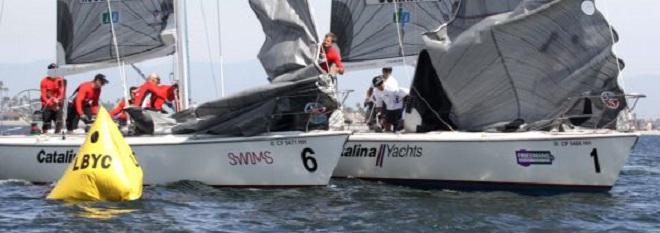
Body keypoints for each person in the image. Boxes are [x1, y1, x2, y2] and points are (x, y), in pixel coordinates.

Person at [40, 63, 66, 133]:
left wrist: (56, 101)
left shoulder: (60, 80)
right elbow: (43, 96)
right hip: (47, 103)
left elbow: (61, 93)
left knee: (59, 119)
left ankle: (58, 132)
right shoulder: (44, 81)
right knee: (46, 119)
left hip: (57, 102)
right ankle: (45, 131)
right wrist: (51, 104)